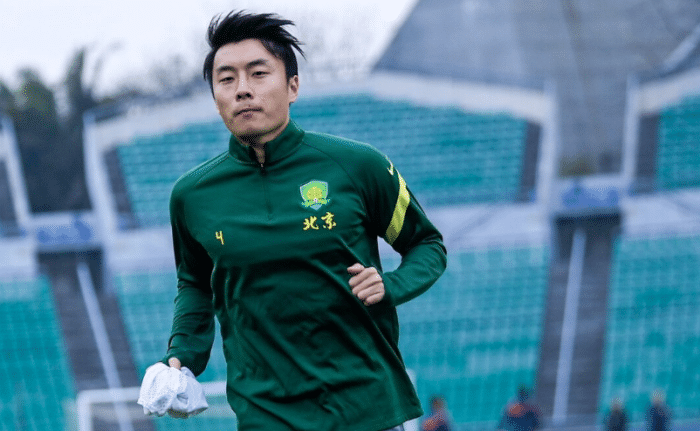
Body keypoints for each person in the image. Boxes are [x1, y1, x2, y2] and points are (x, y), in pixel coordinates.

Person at [149, 10, 447, 431]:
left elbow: (426, 244)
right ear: (215, 97)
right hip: (265, 415)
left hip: (367, 410)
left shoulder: (358, 166)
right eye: (226, 79)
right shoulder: (191, 196)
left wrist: (391, 285)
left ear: (293, 86)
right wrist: (181, 358)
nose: (242, 89)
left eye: (258, 74)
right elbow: (195, 284)